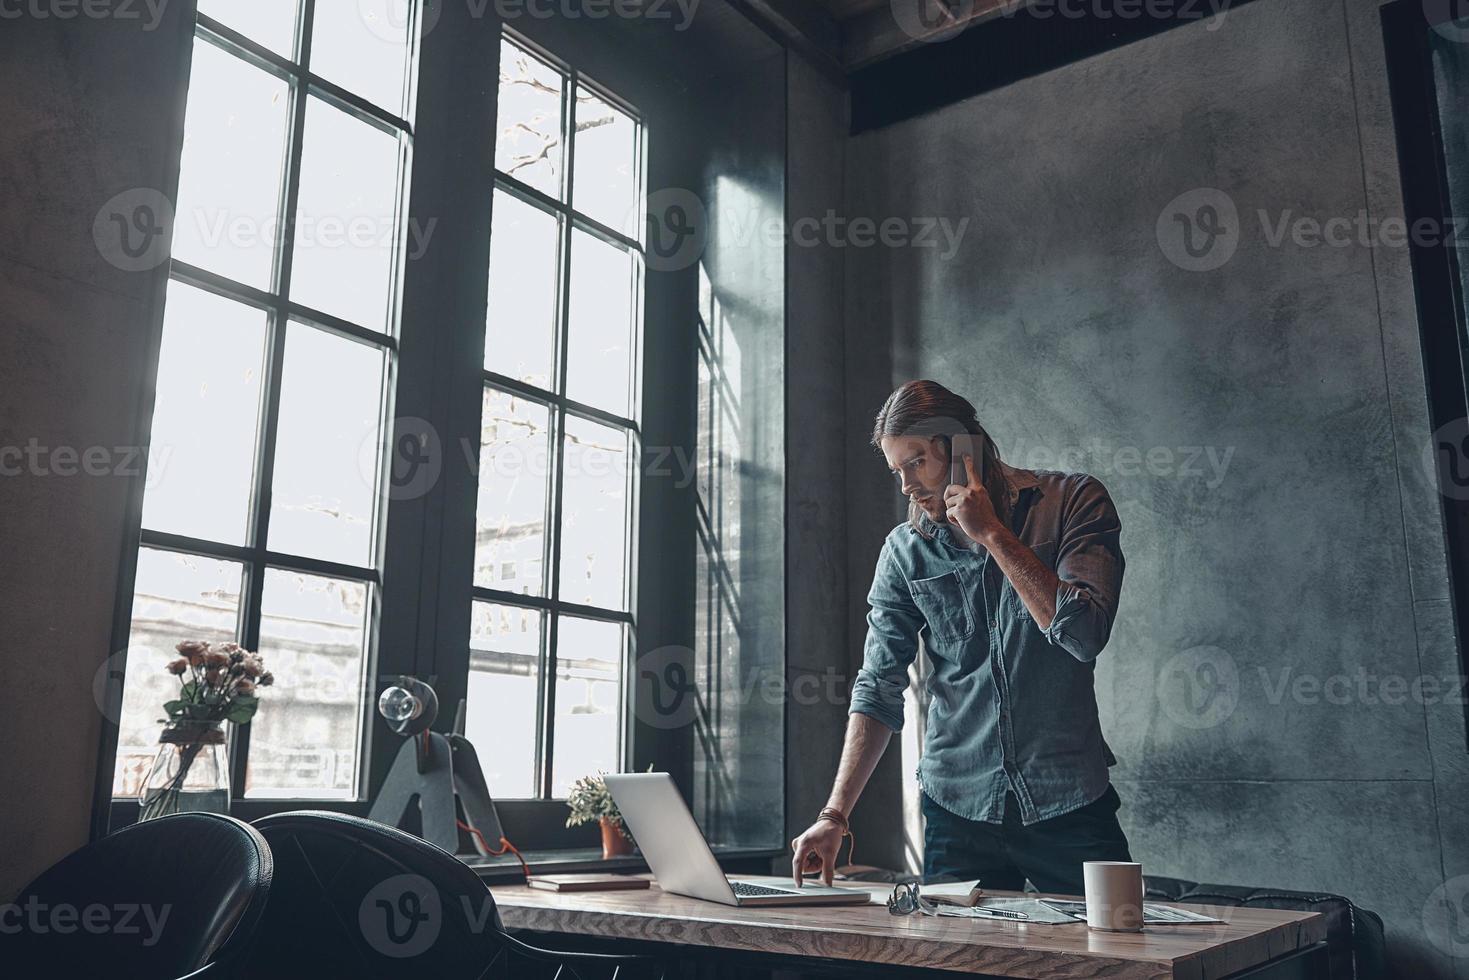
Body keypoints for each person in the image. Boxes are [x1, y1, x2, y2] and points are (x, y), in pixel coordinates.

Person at [790, 379, 1131, 895]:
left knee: (1115, 963)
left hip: (1069, 803)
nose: (905, 485)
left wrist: (993, 533)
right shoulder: (905, 552)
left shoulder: (1074, 501)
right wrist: (835, 814)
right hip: (956, 812)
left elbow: (1082, 635)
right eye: (896, 470)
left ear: (962, 449)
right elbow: (877, 687)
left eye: (917, 462)